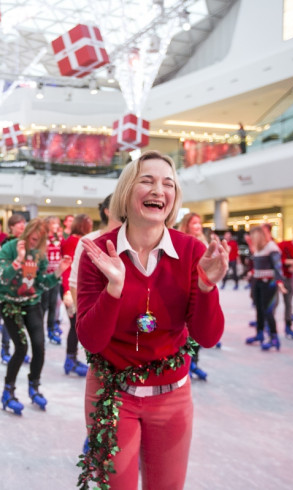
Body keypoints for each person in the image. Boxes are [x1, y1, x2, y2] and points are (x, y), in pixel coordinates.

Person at [76, 150, 226, 489]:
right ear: (127, 191)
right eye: (147, 181)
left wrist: (205, 287)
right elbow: (91, 340)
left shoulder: (190, 252)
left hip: (171, 395)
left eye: (167, 184)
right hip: (112, 393)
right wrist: (114, 288)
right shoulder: (98, 253)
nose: (159, 190)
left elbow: (207, 336)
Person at [0, 218, 71, 415]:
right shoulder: (9, 247)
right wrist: (19, 259)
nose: (33, 243)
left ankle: (34, 387)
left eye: (38, 240)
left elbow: (39, 285)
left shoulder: (40, 254)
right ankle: (8, 392)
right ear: (26, 233)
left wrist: (58, 273)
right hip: (9, 304)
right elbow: (3, 278)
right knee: (21, 348)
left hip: (31, 304)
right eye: (32, 238)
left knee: (39, 346)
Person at [177, 211, 213, 377]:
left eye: (199, 223)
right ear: (187, 225)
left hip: (201, 289)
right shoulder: (180, 241)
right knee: (184, 329)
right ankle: (184, 362)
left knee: (199, 328)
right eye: (194, 223)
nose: (198, 226)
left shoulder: (204, 242)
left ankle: (194, 362)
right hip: (184, 289)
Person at [59, 213, 93, 377]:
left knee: (76, 325)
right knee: (75, 326)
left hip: (74, 287)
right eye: (89, 222)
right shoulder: (74, 241)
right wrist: (67, 291)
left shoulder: (76, 239)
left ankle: (71, 359)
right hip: (71, 289)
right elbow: (68, 266)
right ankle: (70, 360)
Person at [245, 226, 288, 351]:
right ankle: (260, 334)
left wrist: (279, 282)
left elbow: (277, 266)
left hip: (269, 283)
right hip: (258, 282)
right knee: (259, 309)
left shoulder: (271, 247)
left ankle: (274, 338)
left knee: (268, 311)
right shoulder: (258, 249)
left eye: (253, 236)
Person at [0, 213, 27, 364]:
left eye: (24, 223)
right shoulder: (6, 244)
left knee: (21, 322)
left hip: (23, 289)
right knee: (9, 322)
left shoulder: (28, 243)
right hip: (7, 290)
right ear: (11, 227)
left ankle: (20, 351)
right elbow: (3, 270)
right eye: (18, 223)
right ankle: (5, 349)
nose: (22, 226)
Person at [42, 216, 63, 344]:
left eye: (57, 223)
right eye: (53, 223)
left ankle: (50, 330)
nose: (55, 225)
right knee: (43, 305)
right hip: (45, 276)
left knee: (53, 305)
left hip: (56, 275)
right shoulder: (43, 239)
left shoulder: (59, 238)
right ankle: (39, 332)